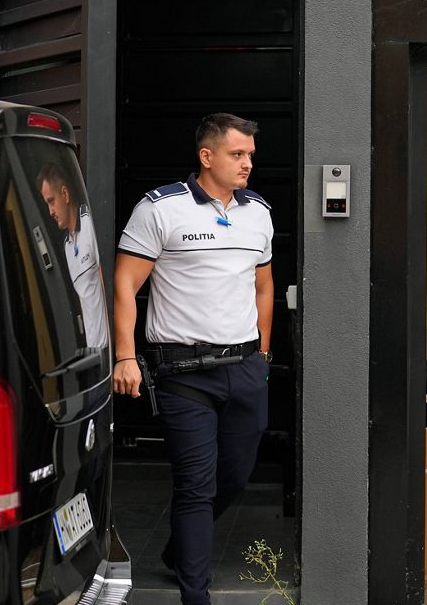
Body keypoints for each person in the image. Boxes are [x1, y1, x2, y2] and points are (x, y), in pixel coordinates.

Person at [111, 113, 274, 605]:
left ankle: (180, 550)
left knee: (236, 477)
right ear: (207, 157)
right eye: (237, 154)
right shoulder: (160, 209)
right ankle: (194, 595)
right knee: (196, 485)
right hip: (184, 375)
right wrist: (125, 357)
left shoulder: (258, 211)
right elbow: (124, 284)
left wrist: (264, 353)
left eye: (250, 154)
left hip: (246, 369)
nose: (247, 163)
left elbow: (264, 287)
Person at [38, 161, 108, 349]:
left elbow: (107, 286)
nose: (50, 212)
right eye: (47, 204)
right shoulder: (68, 246)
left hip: (109, 351)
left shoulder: (90, 226)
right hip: (93, 353)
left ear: (65, 194)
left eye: (51, 201)